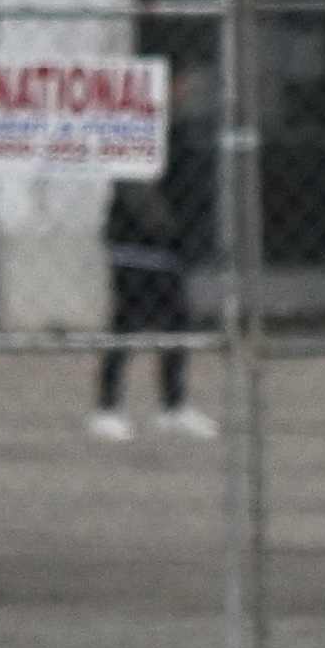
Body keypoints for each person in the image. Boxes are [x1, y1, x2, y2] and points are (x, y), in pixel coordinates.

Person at [87, 158, 208, 440]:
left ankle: (173, 405)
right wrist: (167, 226)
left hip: (169, 249)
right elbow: (135, 191)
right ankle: (107, 407)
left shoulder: (181, 136)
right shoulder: (138, 138)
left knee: (177, 323)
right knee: (126, 323)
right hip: (135, 246)